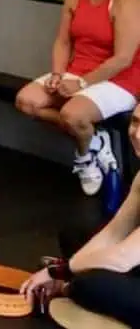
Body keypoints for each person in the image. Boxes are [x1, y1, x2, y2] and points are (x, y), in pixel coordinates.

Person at [15, 0, 140, 196]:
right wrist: (58, 74)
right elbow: (62, 42)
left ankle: (85, 156)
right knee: (25, 101)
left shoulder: (126, 1)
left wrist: (81, 84)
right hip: (78, 71)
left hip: (120, 80)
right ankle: (95, 140)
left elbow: (123, 58)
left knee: (74, 115)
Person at [20, 103, 140, 327]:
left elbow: (122, 257)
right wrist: (67, 269)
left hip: (129, 258)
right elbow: (114, 233)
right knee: (74, 235)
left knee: (89, 284)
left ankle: (74, 287)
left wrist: (61, 272)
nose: (138, 134)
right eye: (135, 122)